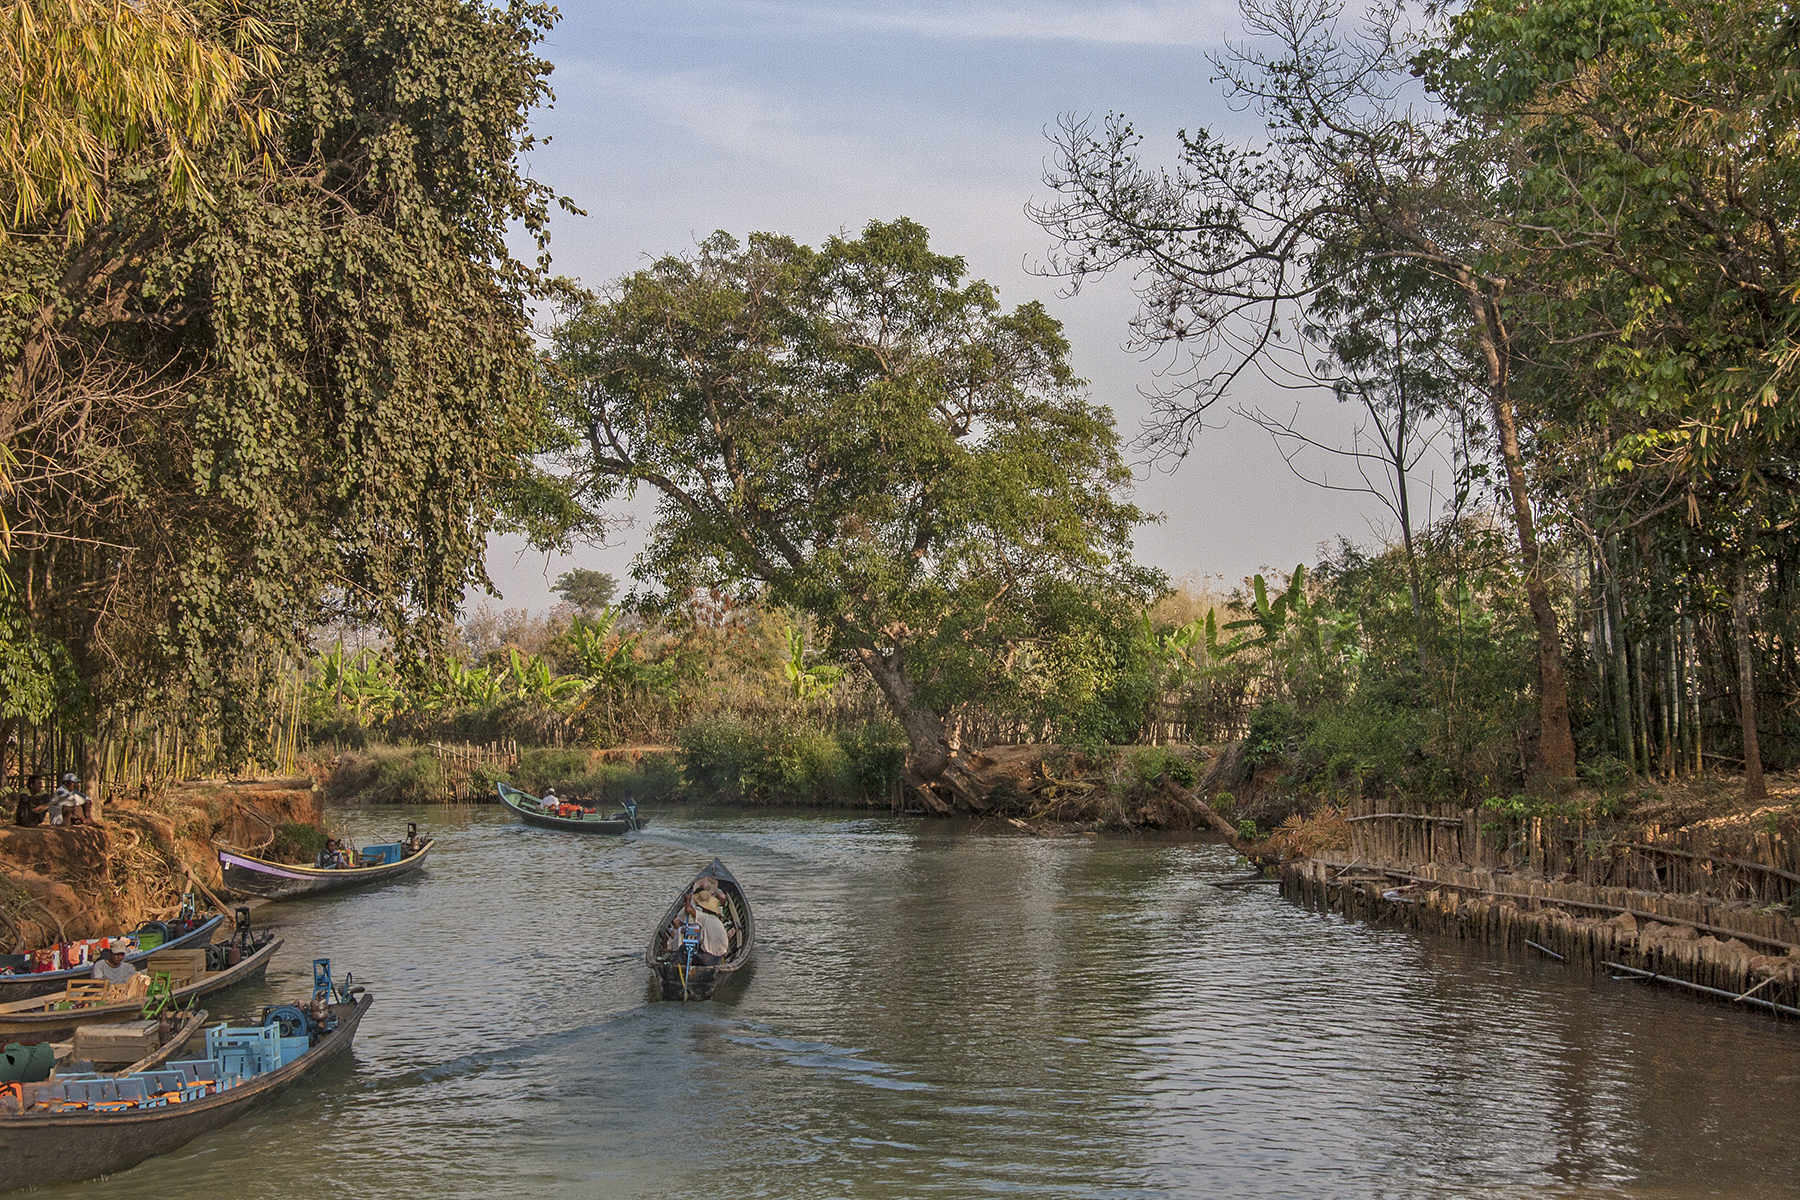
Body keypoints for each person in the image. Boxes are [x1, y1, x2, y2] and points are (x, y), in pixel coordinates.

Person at [691, 892, 729, 966]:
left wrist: (687, 901)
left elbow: (689, 910)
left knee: (685, 950)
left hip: (709, 958)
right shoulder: (717, 920)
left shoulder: (705, 917)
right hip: (720, 956)